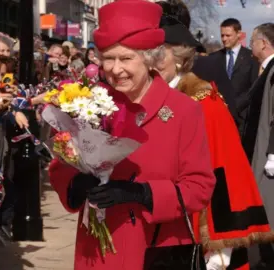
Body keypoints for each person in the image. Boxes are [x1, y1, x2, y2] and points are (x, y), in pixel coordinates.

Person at [49, 1, 215, 269]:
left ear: (149, 58)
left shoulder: (184, 110)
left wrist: (142, 193)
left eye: (126, 58)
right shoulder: (88, 102)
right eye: (108, 58)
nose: (115, 69)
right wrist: (75, 184)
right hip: (99, 252)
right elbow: (59, 166)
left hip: (156, 251)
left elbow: (200, 188)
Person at [155, 15, 274, 270]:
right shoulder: (161, 95)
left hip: (201, 227)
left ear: (176, 59)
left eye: (157, 54)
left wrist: (223, 248)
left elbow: (225, 166)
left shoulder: (203, 99)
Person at [246, 23, 274, 270]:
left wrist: (272, 153)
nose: (250, 45)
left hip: (267, 154)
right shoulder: (266, 70)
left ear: (264, 43)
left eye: (253, 40)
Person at [211, 18, 258, 136]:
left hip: (241, 118)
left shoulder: (251, 58)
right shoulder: (214, 58)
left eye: (228, 35)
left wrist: (234, 107)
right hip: (218, 117)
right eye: (222, 35)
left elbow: (253, 88)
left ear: (239, 34)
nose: (224, 39)